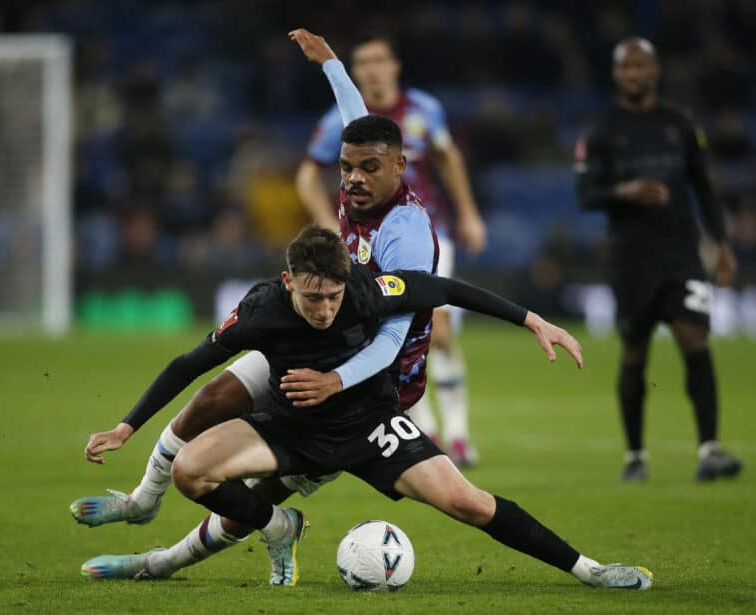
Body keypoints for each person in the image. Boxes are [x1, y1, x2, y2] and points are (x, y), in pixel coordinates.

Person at [80, 222, 653, 591]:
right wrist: (127, 426)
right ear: (288, 282)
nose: (325, 309)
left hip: (370, 428)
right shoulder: (259, 312)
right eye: (312, 297)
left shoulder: (369, 290)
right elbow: (188, 364)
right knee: (191, 471)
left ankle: (591, 571)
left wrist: (532, 321)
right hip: (289, 427)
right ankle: (274, 527)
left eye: (332, 296)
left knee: (469, 503)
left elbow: (448, 290)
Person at [71, 30, 445, 584]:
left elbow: (392, 340)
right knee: (213, 395)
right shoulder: (360, 178)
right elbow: (357, 121)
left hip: (358, 388)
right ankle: (143, 499)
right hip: (312, 340)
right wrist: (332, 64)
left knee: (256, 494)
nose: (353, 177)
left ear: (394, 167)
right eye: (350, 166)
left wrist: (335, 382)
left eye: (367, 167)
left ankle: (161, 563)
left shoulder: (405, 232)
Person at [296, 31, 487, 465]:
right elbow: (306, 175)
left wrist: (469, 213)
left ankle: (458, 434)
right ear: (357, 71)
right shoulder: (342, 120)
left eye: (379, 60)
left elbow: (448, 158)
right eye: (363, 63)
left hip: (428, 232)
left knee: (439, 331)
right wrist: (328, 226)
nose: (372, 70)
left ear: (394, 66)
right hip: (369, 241)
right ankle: (425, 429)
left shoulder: (424, 109)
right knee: (391, 335)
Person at [575, 37, 743, 482]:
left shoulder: (680, 123)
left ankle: (710, 450)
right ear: (616, 74)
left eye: (641, 66)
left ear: (655, 71)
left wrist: (723, 246)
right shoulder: (601, 129)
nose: (634, 74)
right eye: (626, 67)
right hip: (631, 258)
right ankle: (635, 457)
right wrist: (625, 191)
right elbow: (585, 194)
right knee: (635, 350)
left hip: (682, 253)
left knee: (694, 339)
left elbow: (704, 187)